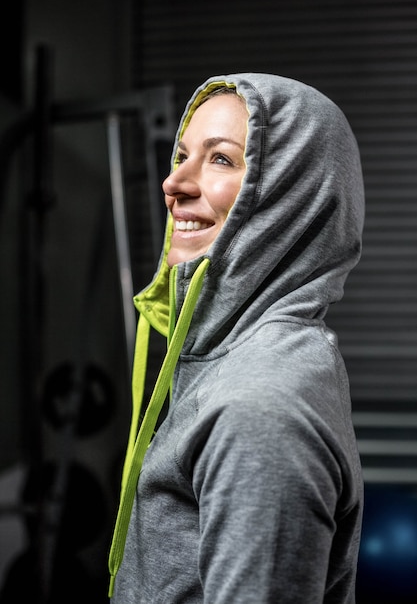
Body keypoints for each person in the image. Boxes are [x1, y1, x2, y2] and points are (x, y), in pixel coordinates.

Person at [108, 73, 365, 603]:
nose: (174, 182)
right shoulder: (239, 357)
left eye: (221, 159)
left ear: (288, 198)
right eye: (182, 155)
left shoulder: (259, 411)